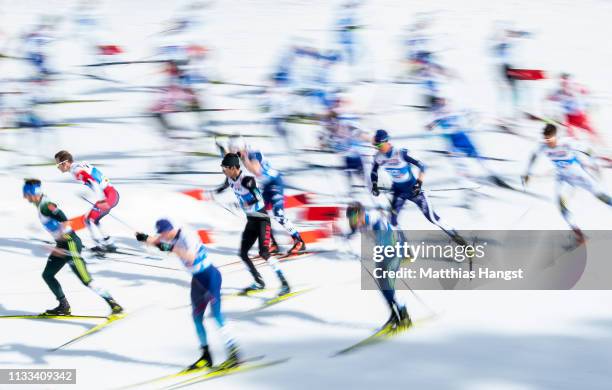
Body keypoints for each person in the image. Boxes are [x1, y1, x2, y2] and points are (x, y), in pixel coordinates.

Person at [136, 219, 239, 369]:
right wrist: (144, 238)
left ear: (169, 230)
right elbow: (157, 242)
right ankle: (206, 356)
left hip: (210, 278)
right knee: (197, 319)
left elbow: (190, 257)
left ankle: (233, 354)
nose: (162, 237)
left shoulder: (187, 236)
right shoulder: (169, 237)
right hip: (197, 281)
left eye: (163, 234)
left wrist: (171, 248)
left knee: (216, 315)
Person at [23, 179, 123, 316]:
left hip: (70, 243)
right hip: (62, 244)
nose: (25, 197)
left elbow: (63, 218)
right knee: (47, 275)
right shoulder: (41, 204)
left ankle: (114, 305)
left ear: (33, 193)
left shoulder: (46, 205)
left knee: (85, 279)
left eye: (26, 194)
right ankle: (63, 306)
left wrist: (64, 239)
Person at [370, 129, 467, 245]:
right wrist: (374, 185)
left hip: (413, 191)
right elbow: (374, 172)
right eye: (376, 145)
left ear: (386, 142)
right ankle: (403, 248)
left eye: (379, 145)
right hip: (398, 192)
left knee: (432, 218)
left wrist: (418, 183)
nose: (378, 148)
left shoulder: (400, 153)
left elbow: (422, 166)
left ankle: (459, 240)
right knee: (393, 221)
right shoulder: (378, 157)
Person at [215, 153, 291, 295]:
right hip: (251, 219)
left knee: (264, 252)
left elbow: (257, 197)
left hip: (262, 219)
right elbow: (228, 183)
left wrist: (240, 204)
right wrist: (219, 190)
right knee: (243, 253)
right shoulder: (230, 177)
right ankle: (259, 282)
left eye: (224, 168)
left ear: (233, 168)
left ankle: (285, 284)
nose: (223, 171)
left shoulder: (247, 180)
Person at [523, 124, 612, 244]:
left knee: (601, 196)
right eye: (546, 139)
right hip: (564, 180)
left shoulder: (566, 143)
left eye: (550, 139)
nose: (548, 142)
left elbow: (589, 151)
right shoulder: (543, 146)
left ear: (555, 136)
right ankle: (579, 235)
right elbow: (533, 156)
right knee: (562, 205)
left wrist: (595, 165)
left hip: (580, 176)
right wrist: (528, 172)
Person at [346, 202, 411, 329]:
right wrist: (346, 237)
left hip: (395, 248)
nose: (353, 222)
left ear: (361, 214)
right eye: (350, 219)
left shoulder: (376, 222)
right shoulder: (359, 221)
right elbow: (353, 231)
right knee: (383, 285)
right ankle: (394, 316)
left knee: (388, 283)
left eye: (354, 219)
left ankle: (404, 316)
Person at [236, 141, 306, 254]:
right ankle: (273, 244)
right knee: (261, 215)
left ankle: (299, 241)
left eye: (238, 151)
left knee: (278, 214)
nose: (238, 153)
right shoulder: (244, 155)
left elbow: (256, 170)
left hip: (275, 182)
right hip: (266, 185)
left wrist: (244, 158)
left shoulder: (253, 153)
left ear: (243, 148)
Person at [54, 150, 119, 253]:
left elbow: (92, 182)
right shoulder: (78, 166)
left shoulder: (76, 171)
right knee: (93, 219)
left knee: (89, 219)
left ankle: (100, 247)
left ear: (65, 163)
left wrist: (101, 200)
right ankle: (108, 242)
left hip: (108, 197)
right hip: (112, 194)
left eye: (58, 164)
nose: (57, 167)